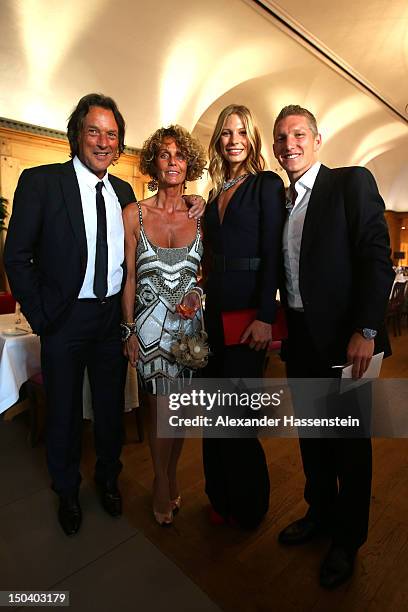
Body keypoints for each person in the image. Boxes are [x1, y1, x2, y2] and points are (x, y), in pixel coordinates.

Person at [272, 105, 394, 588]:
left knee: (349, 446)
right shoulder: (284, 201)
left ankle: (347, 541)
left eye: (298, 134)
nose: (289, 144)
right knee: (313, 440)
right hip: (300, 339)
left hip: (349, 342)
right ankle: (319, 514)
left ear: (317, 139)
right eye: (280, 137)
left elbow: (376, 258)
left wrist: (365, 330)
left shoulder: (350, 182)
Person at [4, 93, 136, 536]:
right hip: (64, 320)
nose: (103, 141)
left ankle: (107, 478)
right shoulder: (42, 182)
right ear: (76, 134)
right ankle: (66, 490)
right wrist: (43, 317)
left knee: (109, 410)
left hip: (109, 321)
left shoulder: (124, 191)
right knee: (61, 412)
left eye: (112, 134)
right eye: (94, 131)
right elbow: (17, 257)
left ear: (119, 143)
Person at [202, 104, 285, 529]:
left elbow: (272, 253)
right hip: (212, 316)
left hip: (248, 315)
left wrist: (266, 315)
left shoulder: (266, 184)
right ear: (218, 140)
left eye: (240, 132)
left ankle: (250, 506)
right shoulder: (216, 192)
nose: (233, 139)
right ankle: (220, 497)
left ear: (251, 139)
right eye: (226, 133)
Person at [121, 125, 206, 525]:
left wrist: (197, 294)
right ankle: (161, 482)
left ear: (189, 163)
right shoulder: (134, 214)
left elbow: (206, 275)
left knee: (182, 412)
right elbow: (129, 279)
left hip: (190, 333)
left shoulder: (200, 216)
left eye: (180, 155)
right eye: (164, 154)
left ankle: (170, 477)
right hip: (150, 331)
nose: (172, 162)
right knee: (159, 412)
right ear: (153, 162)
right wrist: (129, 330)